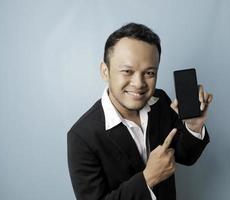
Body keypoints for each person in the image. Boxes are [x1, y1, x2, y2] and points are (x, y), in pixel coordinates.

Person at [67, 22, 213, 200]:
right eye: (127, 71)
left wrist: (193, 126)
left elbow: (186, 156)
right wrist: (148, 178)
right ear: (105, 71)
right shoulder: (82, 137)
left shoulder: (161, 102)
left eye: (149, 73)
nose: (139, 84)